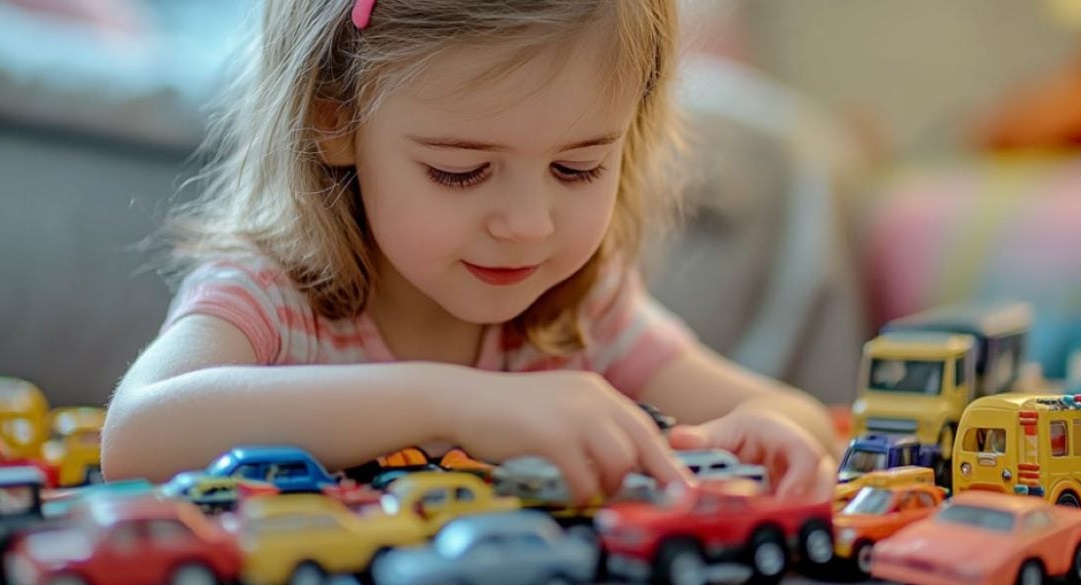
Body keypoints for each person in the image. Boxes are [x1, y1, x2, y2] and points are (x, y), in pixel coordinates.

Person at [102, 0, 837, 503]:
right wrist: (458, 404)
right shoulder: (271, 294)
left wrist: (767, 431)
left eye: (577, 168)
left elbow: (787, 410)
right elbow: (139, 432)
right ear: (336, 119)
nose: (527, 224)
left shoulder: (585, 309)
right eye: (461, 170)